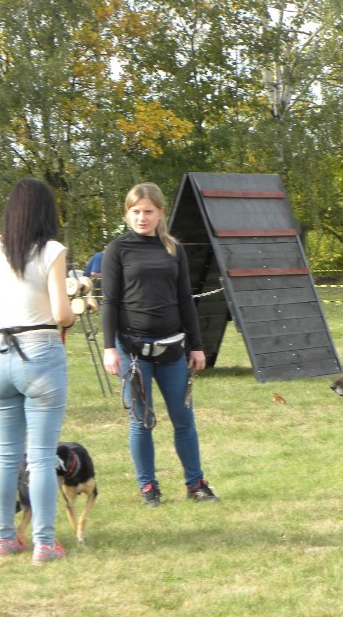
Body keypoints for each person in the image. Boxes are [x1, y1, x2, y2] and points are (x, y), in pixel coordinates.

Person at [0, 178, 74, 564]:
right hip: (41, 353)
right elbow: (63, 314)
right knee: (42, 456)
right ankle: (44, 543)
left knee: (6, 455)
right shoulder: (51, 250)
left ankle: (3, 539)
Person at [101, 183, 218, 507]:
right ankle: (149, 488)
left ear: (160, 212)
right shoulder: (117, 250)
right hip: (133, 352)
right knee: (142, 422)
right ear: (127, 214)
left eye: (148, 211)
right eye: (136, 211)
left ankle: (196, 485)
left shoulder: (173, 249)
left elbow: (185, 299)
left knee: (184, 421)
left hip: (172, 351)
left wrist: (196, 346)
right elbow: (109, 301)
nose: (142, 217)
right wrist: (110, 348)